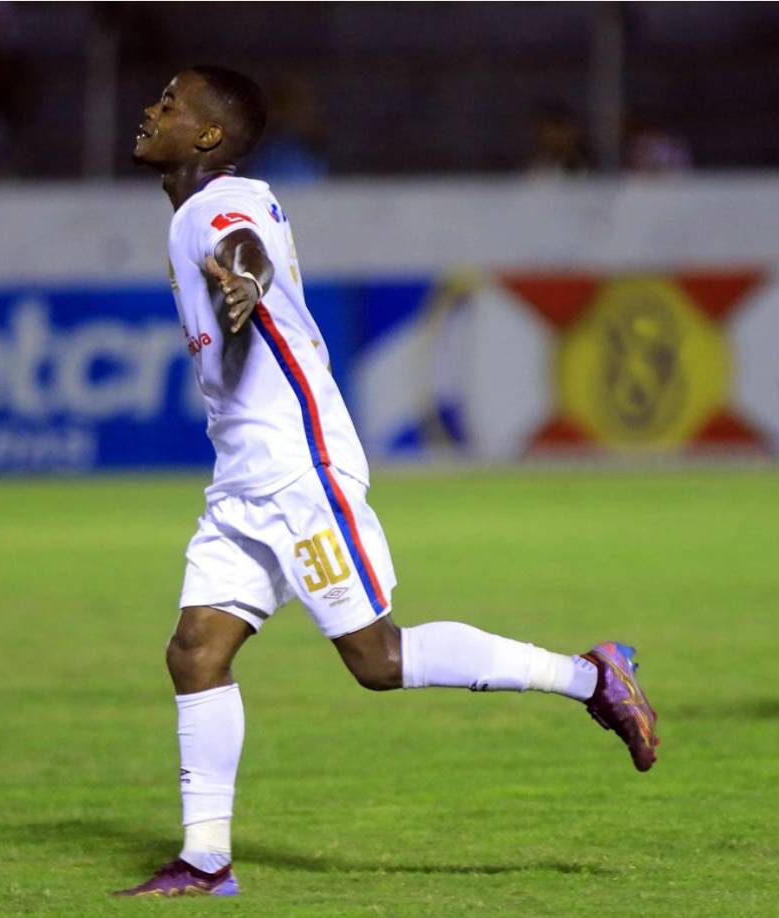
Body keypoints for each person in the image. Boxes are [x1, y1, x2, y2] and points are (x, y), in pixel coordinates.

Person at [119, 66, 659, 898]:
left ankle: (591, 676)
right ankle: (204, 861)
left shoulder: (223, 203)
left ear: (209, 135)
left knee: (376, 659)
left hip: (297, 470)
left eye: (169, 104)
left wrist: (246, 278)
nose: (150, 111)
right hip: (243, 478)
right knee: (195, 653)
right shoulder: (196, 208)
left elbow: (242, 245)